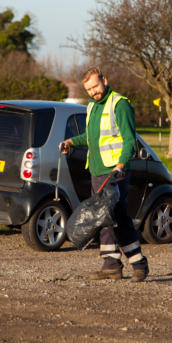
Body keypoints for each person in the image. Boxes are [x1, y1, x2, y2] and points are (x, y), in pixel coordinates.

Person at [60, 67, 149, 282]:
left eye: (95, 86)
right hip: (97, 172)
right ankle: (111, 265)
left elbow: (129, 139)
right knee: (103, 219)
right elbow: (91, 138)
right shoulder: (92, 106)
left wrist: (121, 164)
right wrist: (71, 141)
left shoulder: (120, 104)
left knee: (118, 216)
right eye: (89, 89)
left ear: (105, 81)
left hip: (115, 172)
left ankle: (139, 264)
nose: (93, 92)